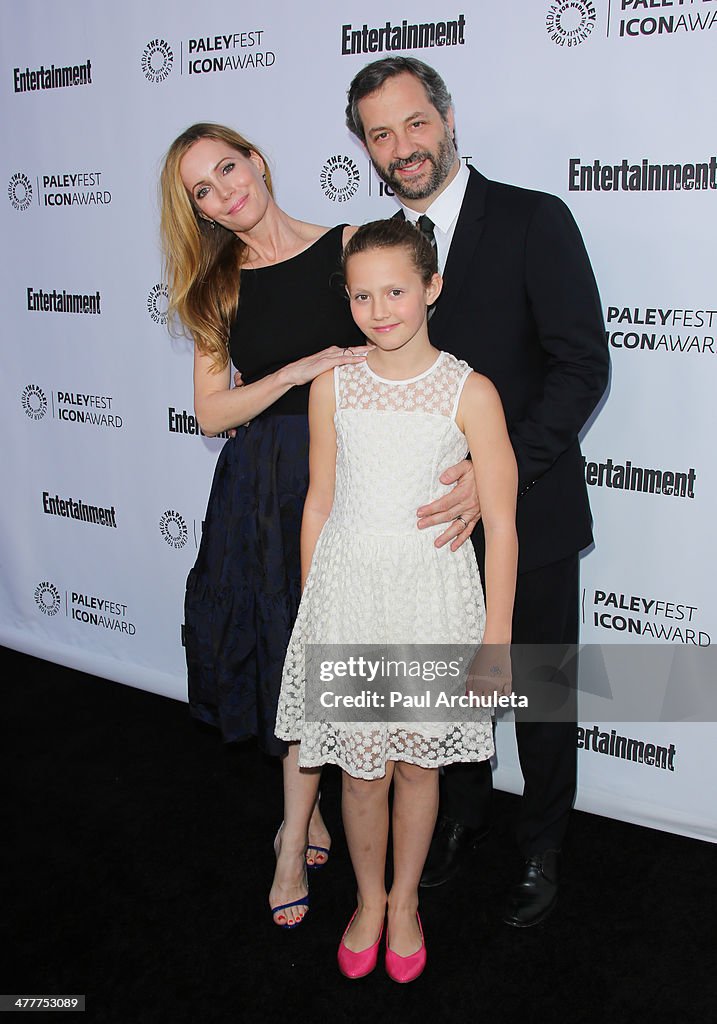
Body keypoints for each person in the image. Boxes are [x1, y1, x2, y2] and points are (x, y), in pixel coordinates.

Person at [345, 58, 608, 926]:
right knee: (436, 692)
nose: (401, 147)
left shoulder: (534, 220)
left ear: (447, 118)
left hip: (526, 506)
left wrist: (496, 473)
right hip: (419, 529)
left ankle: (541, 847)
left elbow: (580, 364)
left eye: (414, 123)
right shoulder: (373, 251)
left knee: (536, 689)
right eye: (380, 134)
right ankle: (455, 822)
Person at [275, 218, 518, 981]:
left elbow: (503, 527)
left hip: (431, 602)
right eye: (361, 295)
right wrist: (314, 609)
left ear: (430, 288)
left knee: (417, 767)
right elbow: (319, 503)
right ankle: (368, 900)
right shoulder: (332, 385)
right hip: (348, 597)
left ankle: (406, 900)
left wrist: (497, 642)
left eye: (395, 291)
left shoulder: (469, 390)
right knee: (360, 771)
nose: (379, 310)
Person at [159, 123, 370, 928]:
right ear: (201, 213)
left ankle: (310, 813)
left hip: (350, 473)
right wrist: (294, 370)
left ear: (256, 160)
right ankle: (294, 832)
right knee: (286, 650)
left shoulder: (347, 245)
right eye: (202, 191)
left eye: (227, 167)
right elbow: (211, 413)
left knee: (330, 651)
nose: (224, 190)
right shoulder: (217, 284)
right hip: (264, 484)